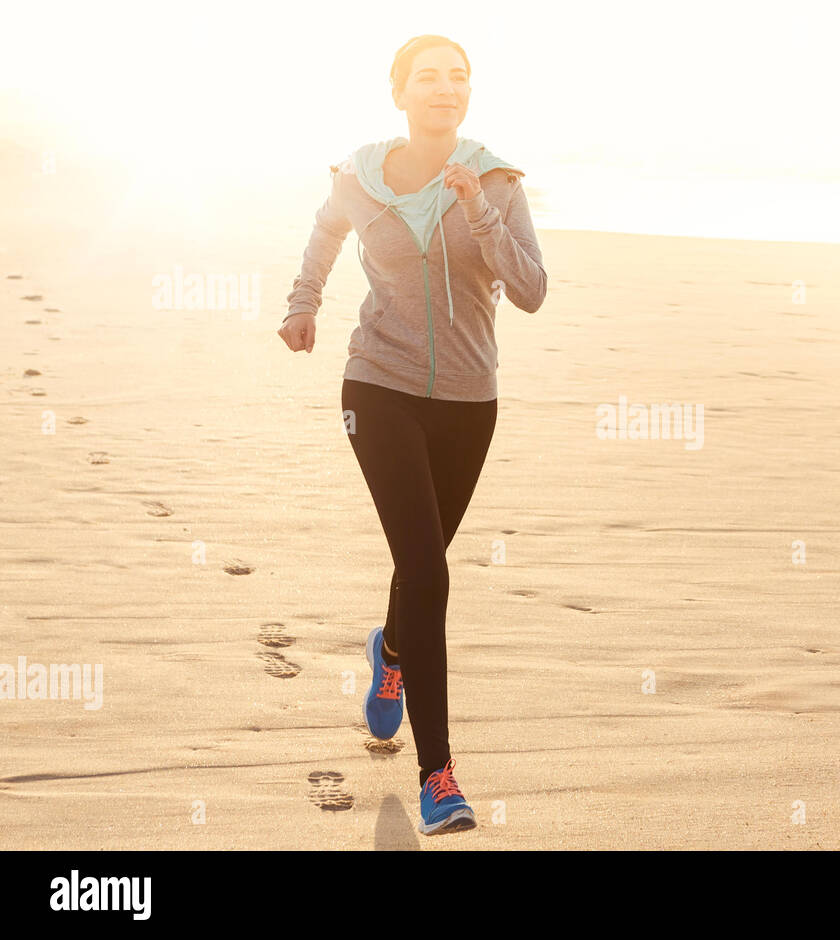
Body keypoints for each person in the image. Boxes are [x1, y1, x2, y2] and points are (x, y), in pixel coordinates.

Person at [277, 33, 547, 834]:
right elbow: (327, 230)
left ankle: (391, 652)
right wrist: (303, 303)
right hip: (378, 385)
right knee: (428, 571)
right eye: (428, 77)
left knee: (419, 568)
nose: (445, 88)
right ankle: (440, 779)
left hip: (470, 402)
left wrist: (477, 209)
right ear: (399, 93)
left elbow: (531, 290)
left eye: (458, 78)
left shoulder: (497, 180)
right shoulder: (361, 177)